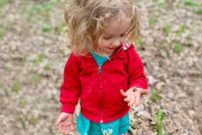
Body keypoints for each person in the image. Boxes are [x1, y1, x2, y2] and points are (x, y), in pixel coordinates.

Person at [56, 0, 148, 135]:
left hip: (117, 115)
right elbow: (71, 85)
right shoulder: (80, 54)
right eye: (108, 37)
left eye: (122, 34)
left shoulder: (127, 52)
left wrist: (135, 90)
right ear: (88, 30)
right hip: (90, 116)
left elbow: (138, 76)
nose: (117, 42)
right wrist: (67, 109)